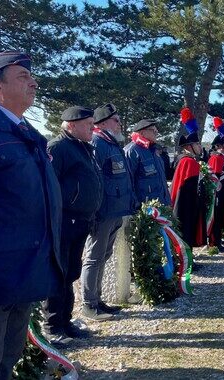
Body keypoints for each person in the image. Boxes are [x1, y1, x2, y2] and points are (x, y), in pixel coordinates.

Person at [0, 51, 63, 379]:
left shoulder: (25, 131)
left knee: (6, 360)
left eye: (32, 76)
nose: (34, 82)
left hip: (24, 271)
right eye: (23, 77)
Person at [43, 106, 104, 346]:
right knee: (59, 275)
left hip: (81, 221)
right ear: (71, 125)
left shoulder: (83, 147)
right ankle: (53, 326)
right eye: (88, 123)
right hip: (64, 223)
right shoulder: (58, 148)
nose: (93, 127)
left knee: (70, 274)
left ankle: (66, 322)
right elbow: (50, 187)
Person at [81, 104, 135, 329]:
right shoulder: (98, 143)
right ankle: (88, 304)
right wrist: (97, 210)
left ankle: (98, 300)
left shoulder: (112, 144)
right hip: (104, 212)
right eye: (116, 120)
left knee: (104, 256)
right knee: (94, 257)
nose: (119, 124)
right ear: (102, 123)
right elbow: (95, 180)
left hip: (116, 210)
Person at [171, 130, 207, 246]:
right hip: (186, 205)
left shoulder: (184, 159)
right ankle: (187, 262)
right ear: (189, 146)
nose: (199, 146)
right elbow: (189, 190)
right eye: (197, 144)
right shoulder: (189, 162)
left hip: (182, 203)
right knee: (187, 231)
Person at [125, 119, 170, 206]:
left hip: (161, 205)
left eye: (156, 130)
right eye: (153, 130)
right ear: (142, 133)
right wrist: (136, 206)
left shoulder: (153, 150)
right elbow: (127, 182)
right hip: (145, 208)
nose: (156, 132)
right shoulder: (132, 151)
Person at [207, 117, 224, 251]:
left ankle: (218, 239)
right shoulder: (216, 158)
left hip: (223, 193)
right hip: (217, 193)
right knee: (216, 217)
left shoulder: (222, 157)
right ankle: (214, 242)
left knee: (220, 216)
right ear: (221, 145)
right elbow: (214, 178)